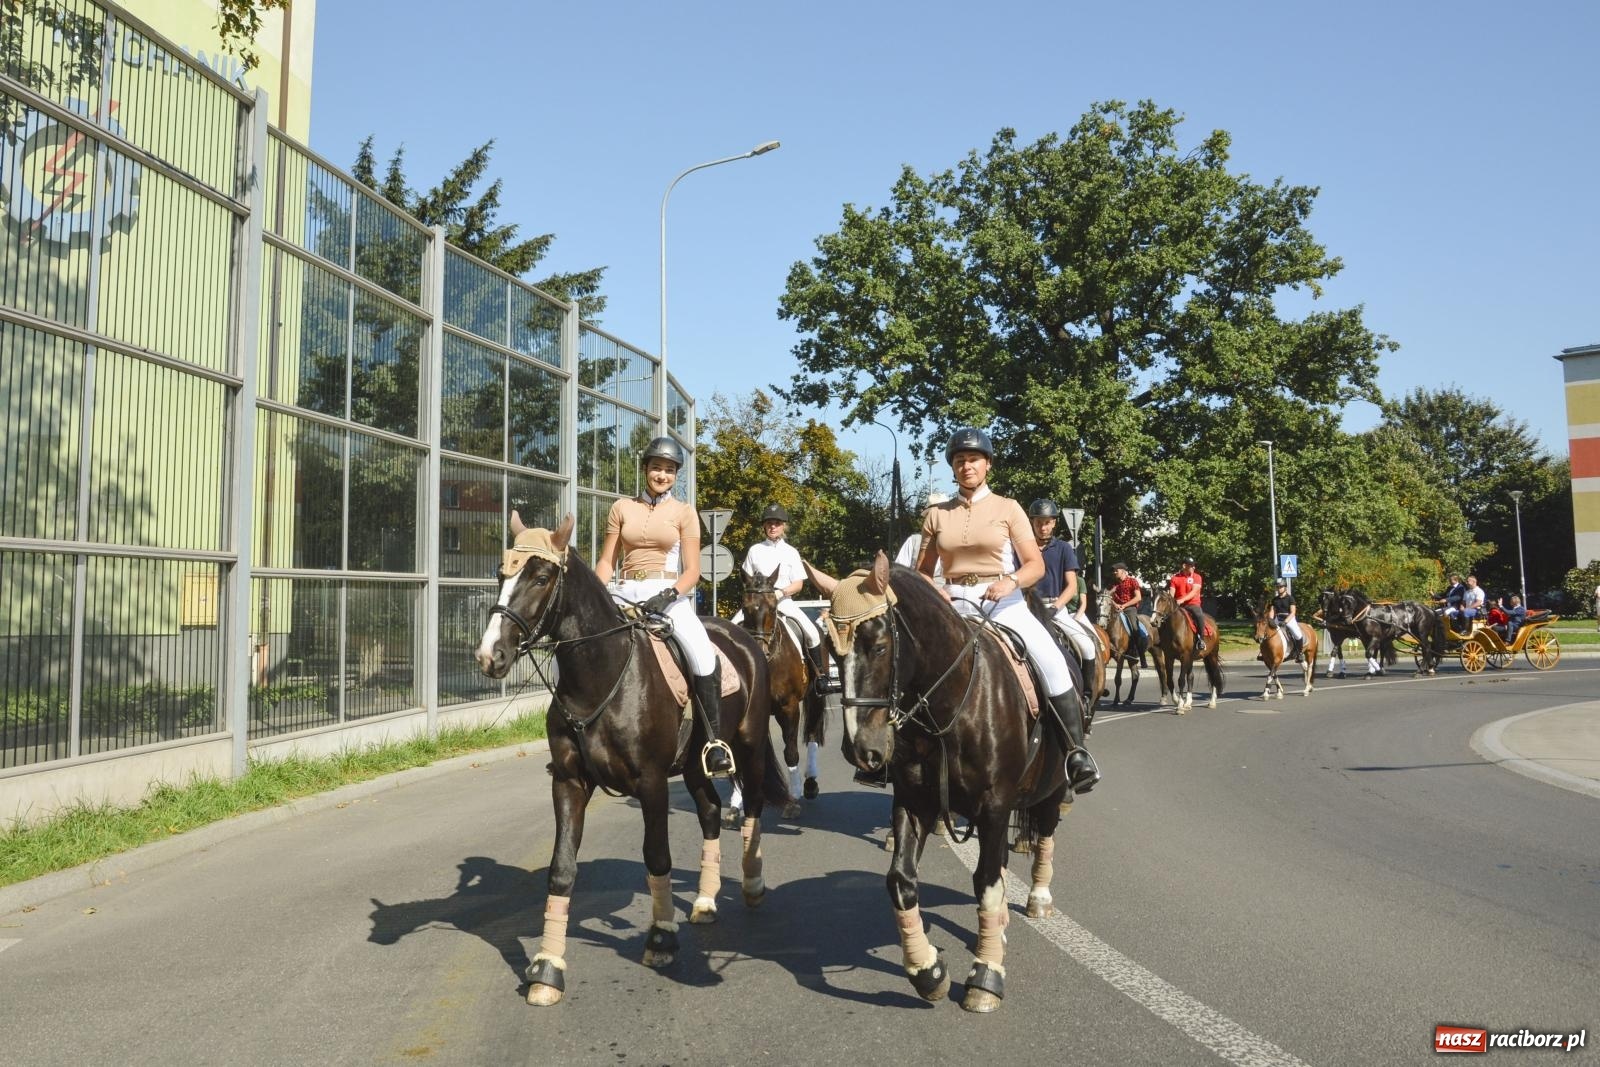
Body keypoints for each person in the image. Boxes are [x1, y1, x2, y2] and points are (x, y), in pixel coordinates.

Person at [916, 428, 1099, 794]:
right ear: (953, 468)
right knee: (908, 663)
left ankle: (1075, 752)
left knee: (1050, 658)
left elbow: (1035, 566)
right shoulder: (935, 515)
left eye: (973, 460)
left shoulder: (1008, 507)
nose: (966, 466)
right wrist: (936, 590)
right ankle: (894, 757)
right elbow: (922, 571)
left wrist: (1010, 582)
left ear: (987, 465)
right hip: (951, 603)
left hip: (1002, 601)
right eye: (959, 461)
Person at [594, 436, 732, 777]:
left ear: (675, 475)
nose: (662, 475)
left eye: (669, 470)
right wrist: (598, 594)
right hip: (624, 590)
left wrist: (669, 596)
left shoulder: (684, 513)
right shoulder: (621, 507)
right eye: (657, 468)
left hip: (668, 592)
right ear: (645, 469)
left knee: (702, 652)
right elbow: (607, 561)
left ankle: (713, 742)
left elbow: (694, 571)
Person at [731, 503, 827, 681]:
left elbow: (798, 584)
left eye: (776, 523)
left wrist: (780, 593)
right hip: (758, 603)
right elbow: (747, 580)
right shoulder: (755, 550)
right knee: (731, 629)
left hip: (783, 601)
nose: (772, 527)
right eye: (769, 523)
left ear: (783, 526)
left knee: (812, 633)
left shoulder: (791, 552)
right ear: (764, 526)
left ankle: (819, 676)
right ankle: (728, 676)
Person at [1027, 498, 1097, 667]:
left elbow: (1072, 585)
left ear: (1054, 523)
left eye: (1047, 523)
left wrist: (1054, 608)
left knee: (1087, 647)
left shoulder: (1064, 548)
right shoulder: (1023, 547)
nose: (1043, 528)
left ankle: (1087, 692)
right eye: (1038, 523)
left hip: (1055, 608)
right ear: (1032, 522)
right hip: (1027, 608)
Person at [893, 492, 948, 576]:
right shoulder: (913, 541)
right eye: (933, 516)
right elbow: (899, 571)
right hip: (917, 586)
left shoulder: (955, 542)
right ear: (927, 518)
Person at [1109, 562, 1146, 659]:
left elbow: (1138, 597)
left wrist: (1124, 606)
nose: (1114, 572)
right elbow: (1109, 597)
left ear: (1123, 571)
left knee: (1134, 628)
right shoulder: (1114, 584)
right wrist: (1115, 604)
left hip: (1130, 608)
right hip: (1116, 609)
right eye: (1114, 571)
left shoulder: (1132, 581)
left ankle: (1140, 654)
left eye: (1116, 570)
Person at [1169, 557, 1212, 640]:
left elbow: (1194, 592)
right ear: (1184, 566)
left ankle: (1201, 639)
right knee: (1165, 617)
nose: (1194, 567)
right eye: (1191, 566)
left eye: (1193, 566)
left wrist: (1182, 600)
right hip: (1178, 605)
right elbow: (1171, 593)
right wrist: (1171, 601)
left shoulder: (1197, 577)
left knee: (1199, 615)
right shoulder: (1175, 578)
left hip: (1193, 604)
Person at [1269, 578, 1306, 661]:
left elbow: (1293, 612)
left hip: (1289, 619)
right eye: (1277, 587)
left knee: (1297, 634)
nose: (1279, 589)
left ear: (1285, 587)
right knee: (1267, 632)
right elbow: (1272, 611)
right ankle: (1263, 652)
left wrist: (1285, 622)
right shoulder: (1275, 599)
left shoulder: (1290, 598)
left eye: (1280, 587)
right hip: (1278, 618)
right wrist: (1271, 619)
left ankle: (1300, 653)